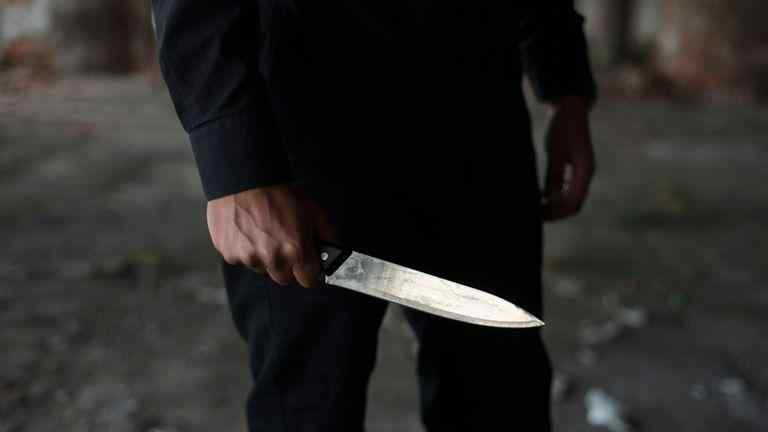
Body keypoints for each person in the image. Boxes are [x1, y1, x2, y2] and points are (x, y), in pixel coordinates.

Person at [151, 1, 597, 430]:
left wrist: (566, 85)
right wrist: (236, 163)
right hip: (306, 130)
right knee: (308, 403)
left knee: (499, 397)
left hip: (478, 116)